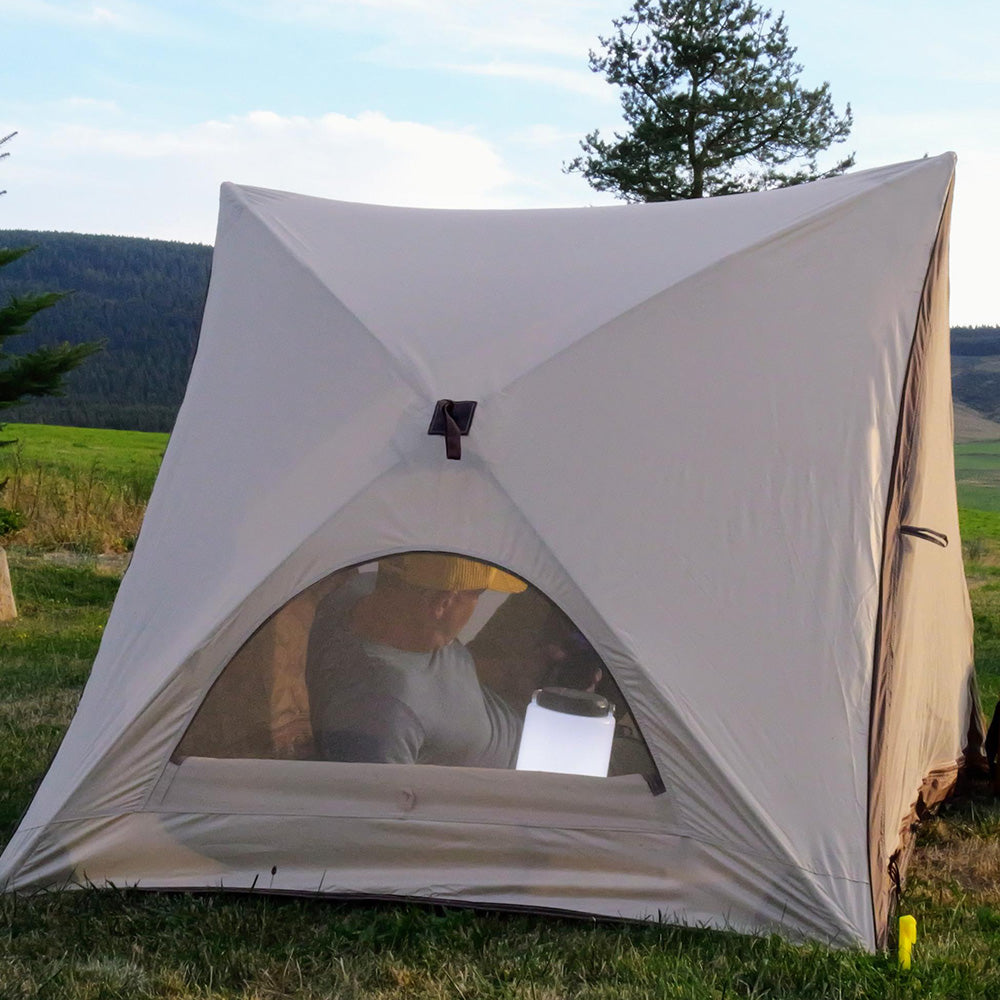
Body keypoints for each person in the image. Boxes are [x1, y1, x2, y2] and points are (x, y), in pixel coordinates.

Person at [306, 553, 529, 767]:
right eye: (477, 594)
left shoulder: (359, 592)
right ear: (443, 603)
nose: (476, 603)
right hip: (529, 776)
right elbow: (387, 801)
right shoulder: (383, 713)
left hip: (511, 709)